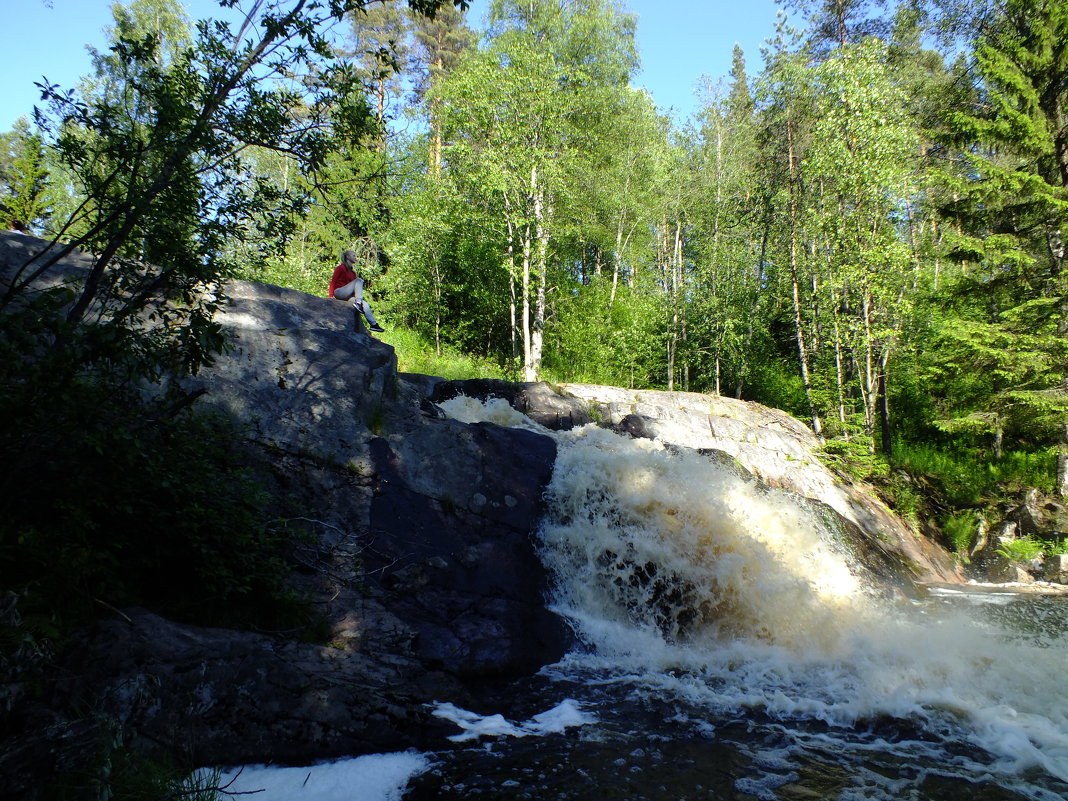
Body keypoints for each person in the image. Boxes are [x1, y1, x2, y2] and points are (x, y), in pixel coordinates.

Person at [329, 249, 384, 332]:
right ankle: (358, 303)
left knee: (365, 305)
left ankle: (373, 324)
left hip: (348, 296)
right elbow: (333, 281)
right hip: (339, 292)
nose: (356, 258)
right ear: (347, 257)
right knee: (359, 281)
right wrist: (330, 295)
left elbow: (355, 289)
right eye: (353, 256)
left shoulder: (353, 273)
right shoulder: (340, 268)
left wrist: (356, 299)